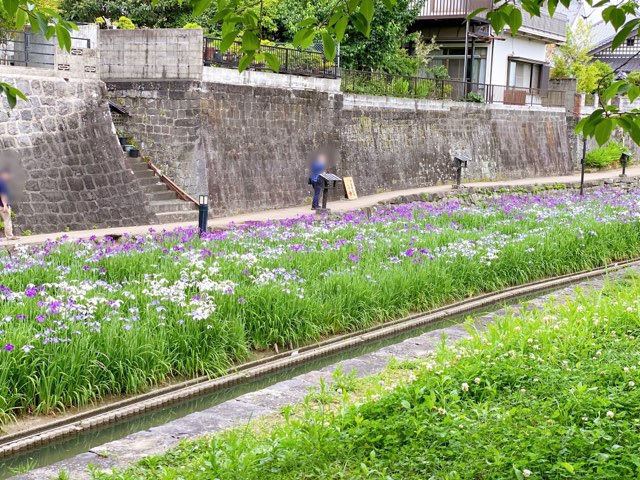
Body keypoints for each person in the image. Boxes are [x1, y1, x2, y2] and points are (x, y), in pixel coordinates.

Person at [0, 168, 17, 240]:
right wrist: (5, 205)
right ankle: (9, 236)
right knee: (7, 221)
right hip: (2, 205)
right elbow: (3, 195)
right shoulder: (2, 183)